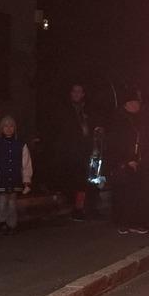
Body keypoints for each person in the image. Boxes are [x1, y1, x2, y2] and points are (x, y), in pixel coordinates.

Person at [108, 89, 149, 235]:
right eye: (135, 102)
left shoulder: (140, 119)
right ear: (128, 104)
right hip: (124, 164)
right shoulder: (119, 120)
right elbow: (116, 143)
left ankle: (136, 222)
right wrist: (127, 160)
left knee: (137, 194)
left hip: (139, 162)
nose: (137, 105)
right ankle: (123, 222)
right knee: (124, 194)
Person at [56, 83, 98, 221]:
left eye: (80, 91)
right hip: (72, 150)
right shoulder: (65, 109)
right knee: (76, 180)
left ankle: (90, 207)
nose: (77, 94)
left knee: (91, 179)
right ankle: (77, 208)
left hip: (88, 149)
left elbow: (93, 126)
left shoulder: (87, 109)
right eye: (74, 91)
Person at [0, 116, 33, 234]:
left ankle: (12, 224)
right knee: (2, 200)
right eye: (5, 126)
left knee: (12, 201)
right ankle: (2, 222)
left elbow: (26, 163)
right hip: (2, 176)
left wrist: (26, 180)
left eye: (11, 126)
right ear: (1, 128)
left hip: (15, 177)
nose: (8, 129)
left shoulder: (20, 144)